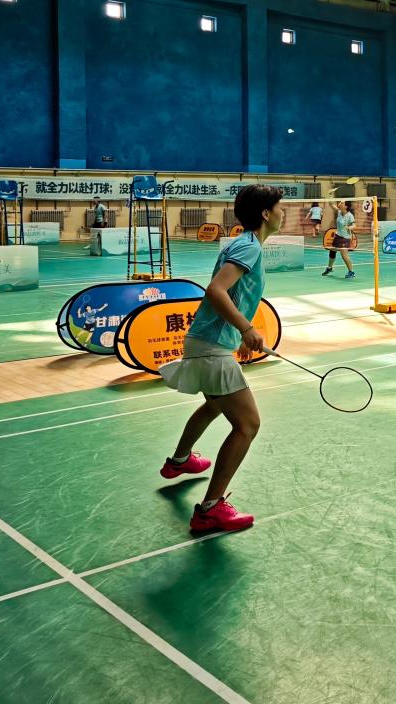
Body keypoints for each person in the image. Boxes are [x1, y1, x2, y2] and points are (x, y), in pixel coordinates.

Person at [157, 184, 285, 534]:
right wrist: (246, 328)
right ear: (265, 214)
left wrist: (238, 337)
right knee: (247, 425)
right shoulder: (248, 247)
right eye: (279, 207)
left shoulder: (244, 243)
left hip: (207, 341)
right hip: (210, 346)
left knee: (214, 405)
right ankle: (210, 509)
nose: (283, 212)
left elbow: (235, 294)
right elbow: (216, 290)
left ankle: (180, 461)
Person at [322, 200, 356, 278]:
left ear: (346, 206)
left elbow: (354, 225)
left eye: (341, 203)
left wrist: (349, 227)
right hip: (338, 235)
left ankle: (351, 272)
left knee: (344, 255)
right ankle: (329, 268)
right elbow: (331, 204)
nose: (339, 203)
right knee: (332, 250)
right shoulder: (339, 212)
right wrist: (330, 199)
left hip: (345, 237)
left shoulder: (349, 215)